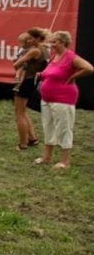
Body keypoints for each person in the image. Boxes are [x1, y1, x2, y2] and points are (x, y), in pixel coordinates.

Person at [33, 31, 93, 169]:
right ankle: (47, 157)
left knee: (64, 128)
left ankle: (65, 161)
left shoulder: (71, 57)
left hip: (63, 99)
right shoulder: (54, 56)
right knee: (48, 126)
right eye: (51, 41)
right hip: (47, 98)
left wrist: (73, 77)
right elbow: (51, 73)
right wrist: (42, 75)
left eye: (54, 41)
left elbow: (89, 68)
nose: (52, 44)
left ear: (62, 42)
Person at [13, 28, 48, 150]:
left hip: (26, 81)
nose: (28, 40)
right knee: (23, 111)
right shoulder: (44, 49)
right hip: (33, 81)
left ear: (38, 38)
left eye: (31, 38)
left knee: (19, 113)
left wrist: (19, 62)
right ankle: (32, 138)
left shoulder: (34, 51)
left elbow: (16, 64)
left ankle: (23, 144)